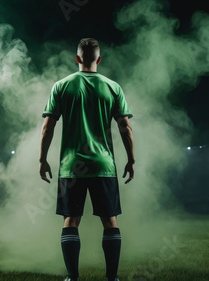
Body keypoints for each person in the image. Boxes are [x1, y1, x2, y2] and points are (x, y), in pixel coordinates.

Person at [39, 38, 135, 281]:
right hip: (104, 166)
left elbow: (47, 128)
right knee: (110, 220)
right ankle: (112, 278)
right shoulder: (113, 87)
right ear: (99, 60)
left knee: (71, 220)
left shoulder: (61, 86)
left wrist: (42, 159)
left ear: (77, 58)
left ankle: (73, 277)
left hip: (72, 167)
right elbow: (125, 126)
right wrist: (131, 159)